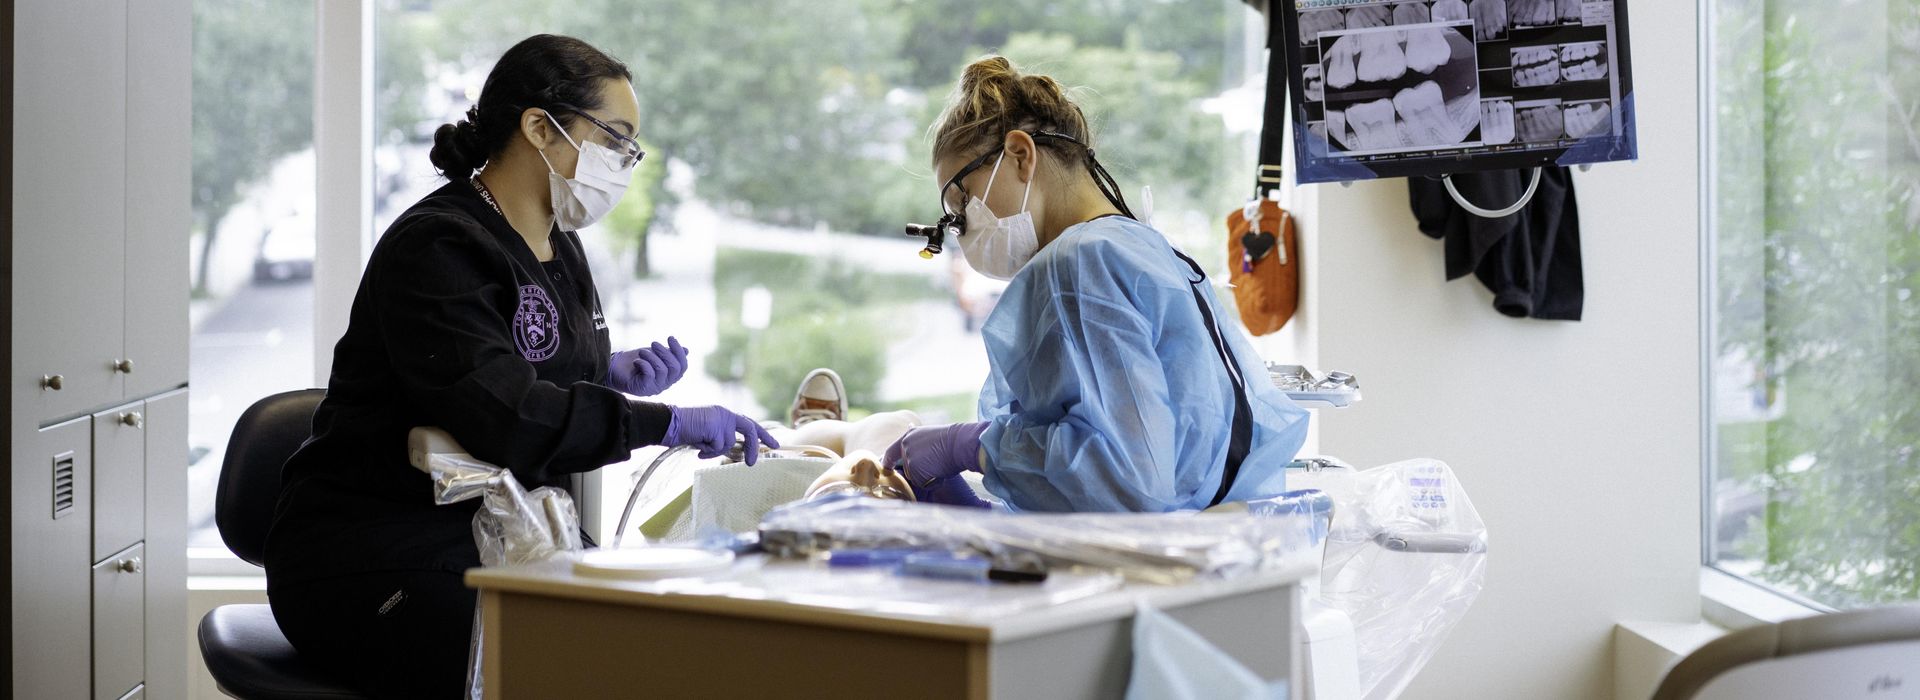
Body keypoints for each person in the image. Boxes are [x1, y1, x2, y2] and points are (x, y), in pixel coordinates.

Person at [263, 35, 775, 698]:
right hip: (375, 553)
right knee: (572, 665)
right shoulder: (439, 245)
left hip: (490, 535)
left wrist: (606, 377)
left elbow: (535, 375)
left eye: (631, 147)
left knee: (656, 636)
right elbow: (505, 414)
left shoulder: (560, 249)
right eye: (616, 139)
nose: (625, 162)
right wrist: (665, 422)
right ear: (540, 126)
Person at [887, 56, 1311, 513]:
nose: (962, 228)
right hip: (1209, 541)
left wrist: (970, 447)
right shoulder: (1140, 246)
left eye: (962, 202)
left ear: (1020, 155)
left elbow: (1130, 477)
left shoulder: (1079, 265)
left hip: (1155, 564)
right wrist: (1000, 513)